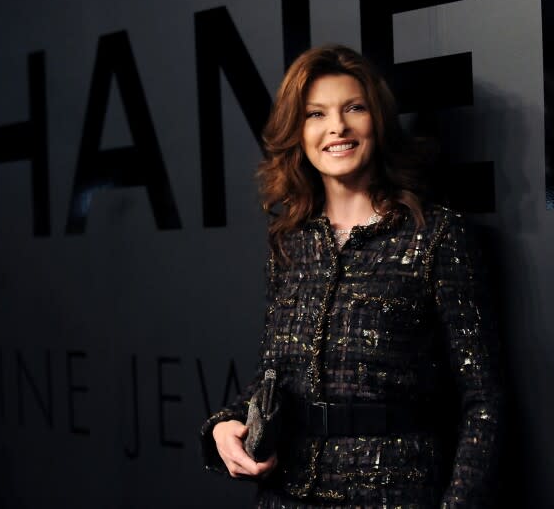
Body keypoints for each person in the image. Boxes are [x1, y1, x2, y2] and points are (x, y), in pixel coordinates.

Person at [200, 44, 502, 508]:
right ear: (297, 133)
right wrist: (225, 425)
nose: (336, 126)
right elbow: (271, 381)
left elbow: (482, 402)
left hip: (394, 494)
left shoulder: (436, 236)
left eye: (353, 108)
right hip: (285, 497)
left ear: (377, 121)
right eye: (315, 114)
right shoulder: (290, 242)